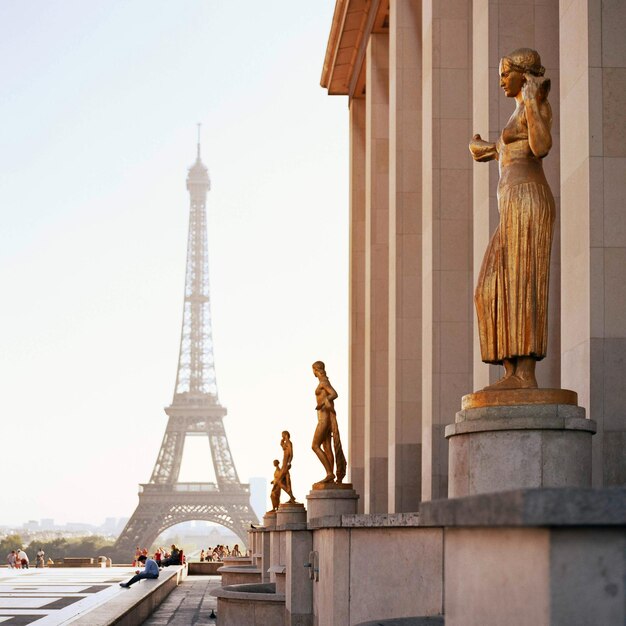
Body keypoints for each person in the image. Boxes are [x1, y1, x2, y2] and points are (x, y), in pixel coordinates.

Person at [469, 48, 554, 390]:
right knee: (490, 289)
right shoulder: (516, 112)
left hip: (529, 199)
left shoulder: (536, 105)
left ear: (523, 74)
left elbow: (541, 145)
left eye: (506, 73)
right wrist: (485, 148)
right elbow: (508, 149)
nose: (501, 80)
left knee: (524, 282)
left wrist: (533, 101)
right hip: (512, 205)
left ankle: (525, 375)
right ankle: (510, 371)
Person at [311, 361, 346, 484]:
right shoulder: (323, 382)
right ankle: (330, 476)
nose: (313, 372)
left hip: (324, 419)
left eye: (313, 370)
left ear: (316, 369)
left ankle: (329, 473)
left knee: (314, 446)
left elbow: (334, 394)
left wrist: (323, 402)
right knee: (327, 447)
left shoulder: (323, 382)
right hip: (323, 418)